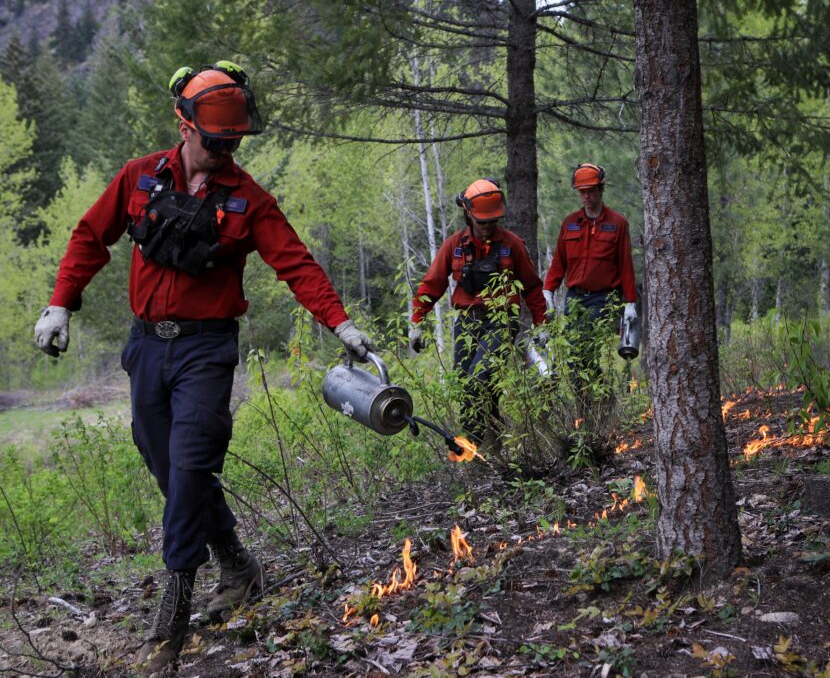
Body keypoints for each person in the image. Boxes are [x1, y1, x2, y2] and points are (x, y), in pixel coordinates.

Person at [31, 62, 373, 673]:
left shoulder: (249, 199)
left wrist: (340, 324)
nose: (225, 150)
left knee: (191, 466)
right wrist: (61, 303)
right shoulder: (138, 178)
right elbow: (90, 237)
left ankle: (175, 613)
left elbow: (296, 264)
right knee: (169, 469)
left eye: (234, 141)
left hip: (206, 351)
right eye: (216, 141)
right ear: (183, 124)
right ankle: (237, 562)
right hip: (145, 348)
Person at [408, 178, 547, 449]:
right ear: (468, 214)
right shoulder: (454, 246)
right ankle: (494, 447)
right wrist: (417, 321)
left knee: (478, 378)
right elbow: (431, 284)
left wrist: (541, 325)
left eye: (492, 222)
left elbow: (531, 286)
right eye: (482, 222)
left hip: (501, 322)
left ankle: (469, 450)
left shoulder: (512, 244)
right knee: (468, 385)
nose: (487, 228)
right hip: (467, 322)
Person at [543, 163, 638, 373]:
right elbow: (559, 260)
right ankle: (594, 402)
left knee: (584, 348)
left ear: (601, 190)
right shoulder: (570, 223)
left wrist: (630, 303)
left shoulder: (618, 223)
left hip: (603, 299)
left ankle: (596, 401)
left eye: (591, 191)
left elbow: (625, 264)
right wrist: (548, 290)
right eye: (582, 192)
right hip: (574, 298)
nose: (586, 196)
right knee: (575, 356)